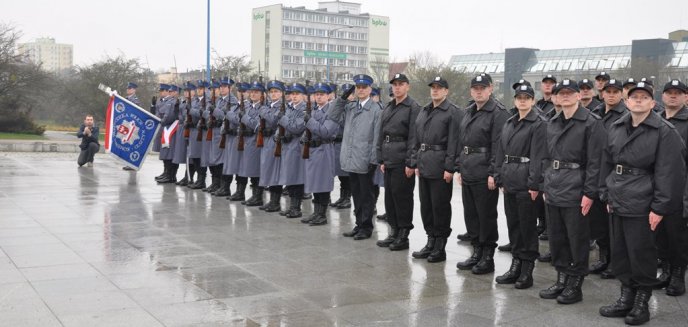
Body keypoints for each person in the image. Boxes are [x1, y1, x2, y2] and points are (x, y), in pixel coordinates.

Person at [598, 81, 686, 325]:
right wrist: (605, 192)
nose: (638, 100)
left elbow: (670, 173)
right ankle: (626, 296)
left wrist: (660, 207)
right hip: (618, 197)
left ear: (652, 103)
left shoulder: (664, 131)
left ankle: (641, 302)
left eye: (643, 97)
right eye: (634, 97)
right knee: (621, 252)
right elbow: (606, 161)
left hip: (643, 200)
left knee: (641, 253)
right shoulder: (617, 126)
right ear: (627, 102)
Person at [538, 79, 604, 305]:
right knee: (557, 237)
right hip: (555, 184)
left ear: (578, 96)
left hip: (577, 186)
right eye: (560, 93)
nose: (564, 96)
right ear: (555, 97)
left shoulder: (590, 123)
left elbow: (596, 161)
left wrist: (589, 193)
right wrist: (546, 183)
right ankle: (561, 277)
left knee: (577, 238)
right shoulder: (553, 122)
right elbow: (547, 157)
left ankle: (575, 283)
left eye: (570, 92)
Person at [455, 75, 510, 274]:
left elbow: (499, 146)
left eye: (483, 88)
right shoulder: (469, 111)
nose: (479, 91)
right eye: (475, 88)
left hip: (484, 170)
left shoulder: (498, 113)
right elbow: (463, 142)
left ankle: (487, 256)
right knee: (471, 215)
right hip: (469, 168)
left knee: (485, 215)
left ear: (491, 89)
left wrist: (493, 173)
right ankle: (476, 252)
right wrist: (460, 167)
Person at [493, 84, 546, 289]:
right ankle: (516, 264)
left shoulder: (538, 124)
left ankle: (527, 269)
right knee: (514, 225)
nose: (522, 101)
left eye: (527, 97)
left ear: (533, 101)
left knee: (527, 227)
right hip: (509, 179)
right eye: (519, 97)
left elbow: (538, 156)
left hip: (526, 182)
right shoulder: (509, 122)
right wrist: (499, 176)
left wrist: (534, 184)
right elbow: (500, 151)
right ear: (514, 100)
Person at [408, 76, 462, 262]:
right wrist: (415, 162)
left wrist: (450, 167)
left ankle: (440, 245)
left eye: (440, 88)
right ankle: (430, 240)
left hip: (440, 165)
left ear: (446, 91)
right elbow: (416, 139)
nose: (435, 90)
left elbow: (454, 142)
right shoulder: (424, 111)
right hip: (424, 164)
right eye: (433, 87)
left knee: (440, 206)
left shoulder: (452, 112)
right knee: (427, 206)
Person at [328, 74, 382, 240]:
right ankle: (359, 224)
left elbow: (377, 136)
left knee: (366, 196)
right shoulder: (350, 107)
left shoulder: (376, 110)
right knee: (356, 194)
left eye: (364, 87)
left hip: (365, 159)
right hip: (351, 158)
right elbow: (332, 115)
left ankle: (366, 227)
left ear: (370, 90)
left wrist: (374, 160)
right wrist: (342, 98)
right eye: (358, 87)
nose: (360, 90)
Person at [375, 73, 420, 251]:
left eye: (401, 84)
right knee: (390, 198)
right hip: (389, 157)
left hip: (402, 158)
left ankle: (403, 234)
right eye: (395, 85)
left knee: (402, 198)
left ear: (407, 86)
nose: (397, 87)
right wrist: (381, 158)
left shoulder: (413, 107)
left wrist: (411, 162)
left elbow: (414, 137)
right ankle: (393, 231)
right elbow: (381, 133)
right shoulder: (389, 106)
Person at [589, 79, 628, 280]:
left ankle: (615, 262)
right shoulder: (595, 113)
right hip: (596, 170)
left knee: (614, 224)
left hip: (614, 172)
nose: (611, 95)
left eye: (615, 91)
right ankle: (604, 258)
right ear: (601, 93)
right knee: (599, 222)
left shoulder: (626, 115)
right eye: (607, 91)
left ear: (621, 94)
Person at [657, 79, 688, 296]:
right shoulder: (655, 121)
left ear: (686, 97)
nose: (673, 96)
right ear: (662, 96)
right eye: (669, 92)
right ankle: (665, 270)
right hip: (656, 187)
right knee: (660, 234)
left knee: (677, 235)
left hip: (680, 188)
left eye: (679, 93)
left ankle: (678, 275)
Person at [301, 82, 339, 226]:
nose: (318, 97)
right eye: (316, 94)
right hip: (313, 150)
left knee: (322, 183)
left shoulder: (332, 111)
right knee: (315, 183)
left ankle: (322, 215)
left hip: (324, 149)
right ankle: (316, 212)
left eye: (321, 94)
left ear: (328, 96)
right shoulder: (315, 110)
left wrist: (309, 121)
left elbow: (326, 131)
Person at [276, 83, 307, 218]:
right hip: (287, 147)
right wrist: (278, 135)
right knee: (289, 178)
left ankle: (296, 207)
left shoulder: (304, 110)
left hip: (297, 147)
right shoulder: (289, 108)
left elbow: (297, 128)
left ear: (303, 96)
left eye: (297, 94)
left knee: (297, 178)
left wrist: (283, 119)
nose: (294, 96)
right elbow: (282, 126)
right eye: (292, 94)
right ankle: (291, 206)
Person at [258, 80, 285, 212]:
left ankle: (276, 202)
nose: (273, 94)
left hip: (275, 142)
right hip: (266, 140)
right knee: (268, 170)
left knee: (275, 172)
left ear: (281, 93)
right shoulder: (268, 106)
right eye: (271, 92)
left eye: (276, 91)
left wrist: (263, 111)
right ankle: (272, 200)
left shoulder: (281, 106)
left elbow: (274, 120)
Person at [236, 81, 264, 206]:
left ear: (262, 94)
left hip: (255, 141)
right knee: (249, 169)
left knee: (256, 170)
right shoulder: (249, 107)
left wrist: (244, 118)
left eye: (256, 92)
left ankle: (258, 196)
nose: (253, 94)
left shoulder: (262, 108)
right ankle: (254, 195)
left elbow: (256, 125)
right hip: (247, 140)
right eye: (251, 92)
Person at [329, 83, 353, 210]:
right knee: (340, 174)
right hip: (336, 143)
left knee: (346, 175)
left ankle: (347, 198)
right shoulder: (340, 107)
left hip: (345, 142)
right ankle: (342, 197)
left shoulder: (351, 109)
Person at [187, 81, 209, 190]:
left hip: (203, 132)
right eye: (198, 88)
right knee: (194, 156)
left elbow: (204, 113)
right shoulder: (194, 100)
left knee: (201, 157)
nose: (199, 90)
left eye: (201, 88)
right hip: (194, 131)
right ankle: (198, 179)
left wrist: (191, 111)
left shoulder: (208, 101)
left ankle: (202, 180)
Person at [157, 84, 180, 184]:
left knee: (171, 154)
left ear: (176, 92)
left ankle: (171, 175)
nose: (169, 93)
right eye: (169, 92)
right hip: (167, 128)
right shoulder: (169, 101)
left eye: (171, 92)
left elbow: (169, 116)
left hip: (172, 129)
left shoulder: (174, 102)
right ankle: (167, 173)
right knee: (166, 153)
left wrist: (162, 121)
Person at [122, 82, 141, 171]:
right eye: (127, 88)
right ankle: (128, 162)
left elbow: (135, 112)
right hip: (127, 124)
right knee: (127, 144)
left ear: (134, 90)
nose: (128, 90)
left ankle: (132, 163)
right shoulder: (126, 99)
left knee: (131, 144)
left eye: (130, 88)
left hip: (132, 125)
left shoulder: (135, 100)